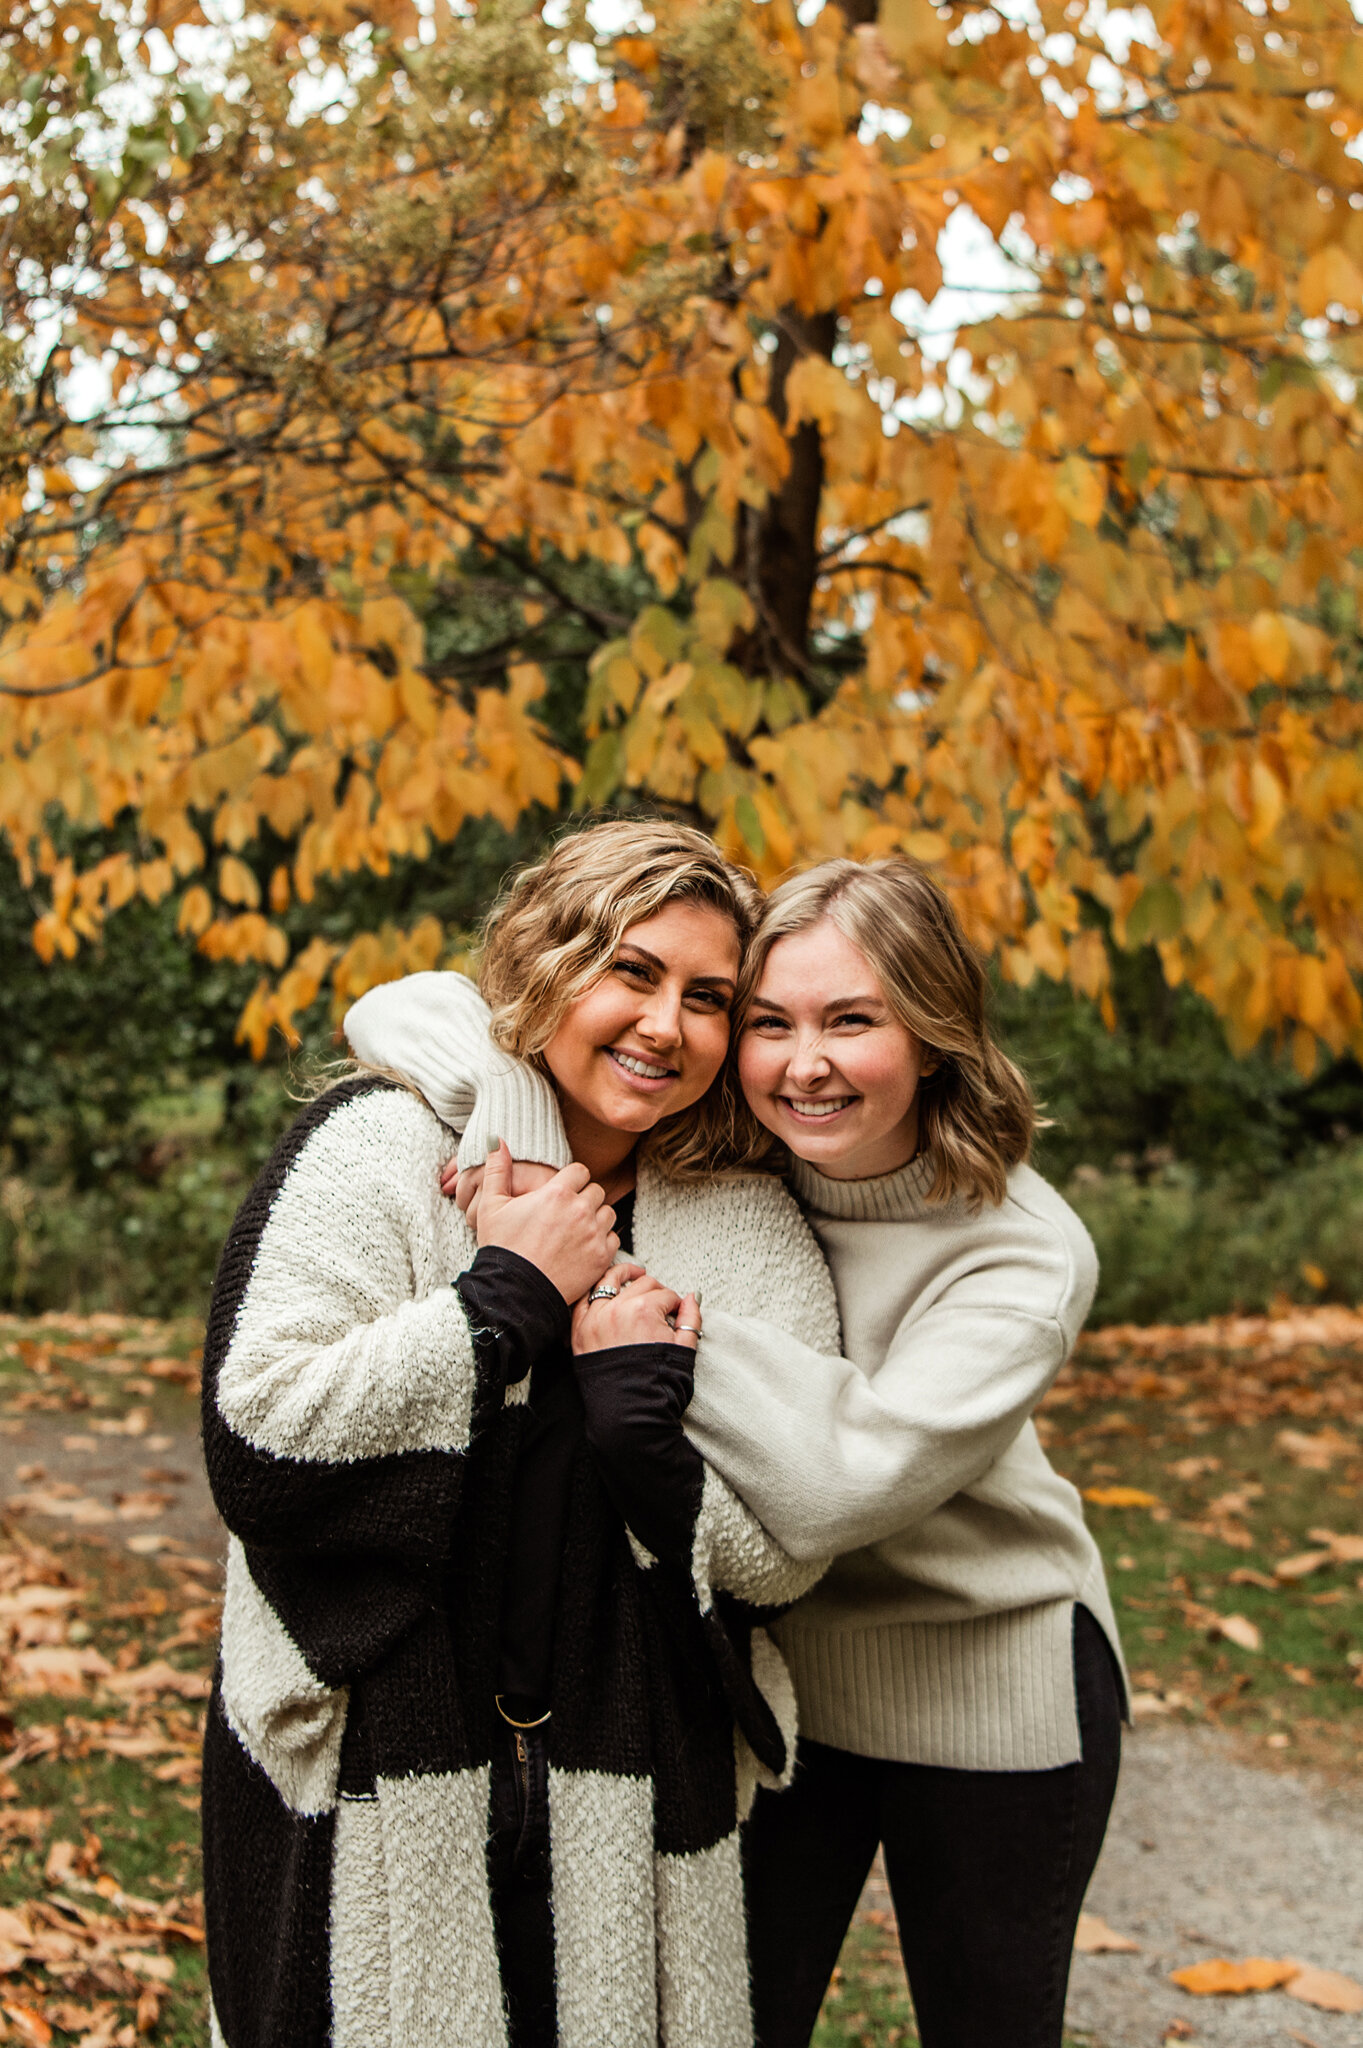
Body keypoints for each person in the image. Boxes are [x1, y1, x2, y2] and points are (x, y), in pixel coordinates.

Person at [350, 853, 1129, 2048]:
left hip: (988, 1674)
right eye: (769, 1021)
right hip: (777, 1672)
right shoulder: (755, 1145)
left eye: (850, 1020)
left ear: (932, 1033)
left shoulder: (1023, 1255)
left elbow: (846, 1478)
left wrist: (594, 1268)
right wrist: (521, 1148)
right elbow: (400, 1005)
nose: (802, 1062)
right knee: (729, 2020)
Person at [200, 818, 841, 2048]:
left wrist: (643, 1425)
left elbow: (784, 1550)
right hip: (377, 1770)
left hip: (632, 1779)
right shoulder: (380, 1151)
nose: (667, 1024)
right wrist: (501, 1301)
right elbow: (261, 1443)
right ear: (546, 962)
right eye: (631, 969)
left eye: (709, 996)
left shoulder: (747, 1226)